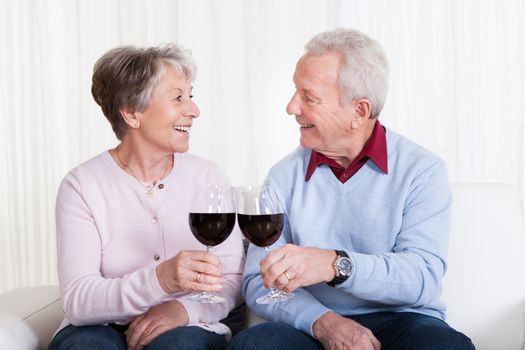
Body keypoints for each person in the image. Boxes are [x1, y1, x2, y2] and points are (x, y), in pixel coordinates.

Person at [229, 28, 475, 350]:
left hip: (402, 320)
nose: (291, 108)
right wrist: (323, 322)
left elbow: (422, 278)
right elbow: (256, 281)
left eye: (309, 97)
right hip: (310, 324)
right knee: (255, 346)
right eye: (295, 92)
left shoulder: (422, 171)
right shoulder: (282, 176)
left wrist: (334, 264)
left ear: (358, 111)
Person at [49, 44, 244, 350]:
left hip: (187, 324)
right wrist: (160, 279)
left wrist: (183, 309)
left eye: (190, 96)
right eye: (178, 97)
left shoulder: (209, 177)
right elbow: (78, 300)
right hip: (99, 327)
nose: (194, 110)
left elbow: (231, 277)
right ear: (132, 113)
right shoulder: (81, 185)